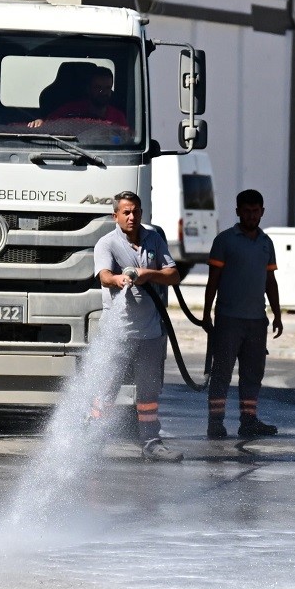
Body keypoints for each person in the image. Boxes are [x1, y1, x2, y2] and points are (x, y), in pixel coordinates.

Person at [93, 191, 183, 463]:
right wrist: (120, 279)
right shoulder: (106, 243)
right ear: (116, 216)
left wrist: (148, 274)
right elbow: (104, 275)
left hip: (151, 332)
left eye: (136, 212)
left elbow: (173, 274)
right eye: (126, 213)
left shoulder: (153, 238)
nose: (132, 217)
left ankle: (151, 443)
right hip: (118, 333)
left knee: (148, 392)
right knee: (107, 387)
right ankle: (92, 441)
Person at [201, 188, 283, 439]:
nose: (251, 216)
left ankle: (249, 421)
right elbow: (212, 280)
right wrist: (206, 314)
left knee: (252, 374)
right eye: (246, 211)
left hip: (257, 322)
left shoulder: (266, 243)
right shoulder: (225, 241)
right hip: (228, 320)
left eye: (255, 211)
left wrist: (278, 315)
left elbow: (270, 281)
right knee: (222, 373)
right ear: (237, 212)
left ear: (262, 212)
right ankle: (216, 423)